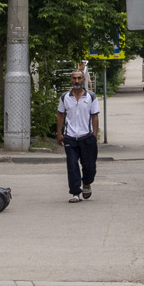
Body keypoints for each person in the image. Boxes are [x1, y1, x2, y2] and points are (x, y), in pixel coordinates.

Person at [56, 69, 100, 202]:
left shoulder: (90, 97)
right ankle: (75, 193)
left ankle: (86, 182)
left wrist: (94, 135)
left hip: (86, 136)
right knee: (72, 165)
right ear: (71, 80)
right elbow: (60, 115)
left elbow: (95, 116)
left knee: (89, 166)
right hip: (70, 137)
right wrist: (59, 133)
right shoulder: (65, 97)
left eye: (79, 78)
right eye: (74, 78)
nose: (76, 81)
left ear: (84, 80)